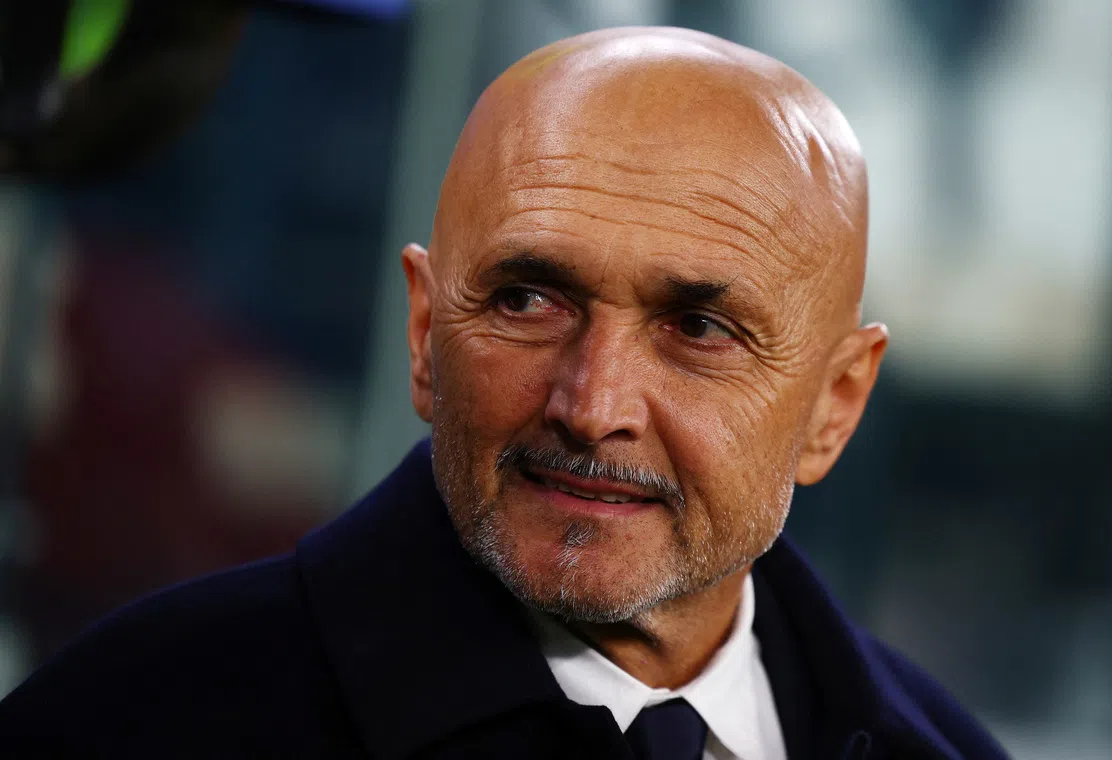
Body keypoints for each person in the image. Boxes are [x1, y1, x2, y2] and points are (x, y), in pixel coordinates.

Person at [0, 26, 1010, 760]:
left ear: (836, 405)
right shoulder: (131, 724)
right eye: (529, 300)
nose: (592, 403)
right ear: (424, 334)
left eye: (698, 329)